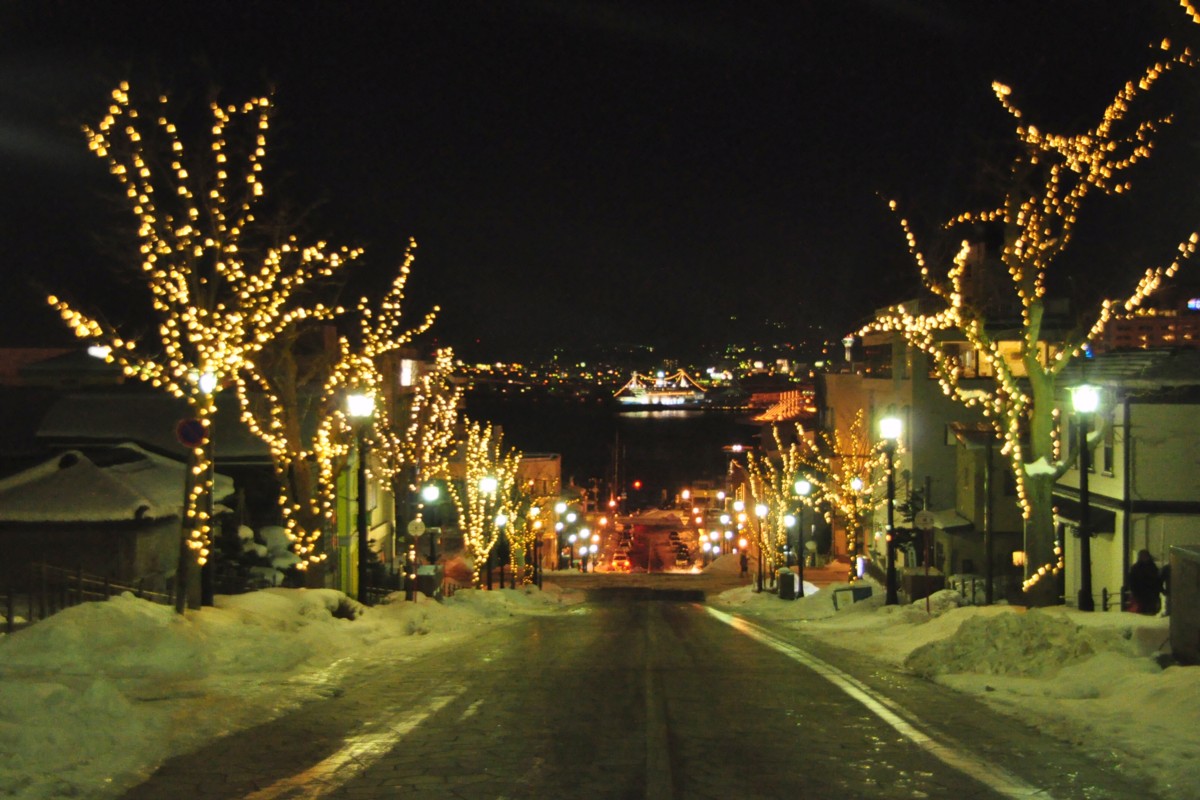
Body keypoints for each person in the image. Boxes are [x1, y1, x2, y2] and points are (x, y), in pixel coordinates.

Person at [1127, 549, 1162, 615]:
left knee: (1145, 612)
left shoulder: (1138, 568)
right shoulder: (1151, 567)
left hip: (1147, 595)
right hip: (1144, 594)